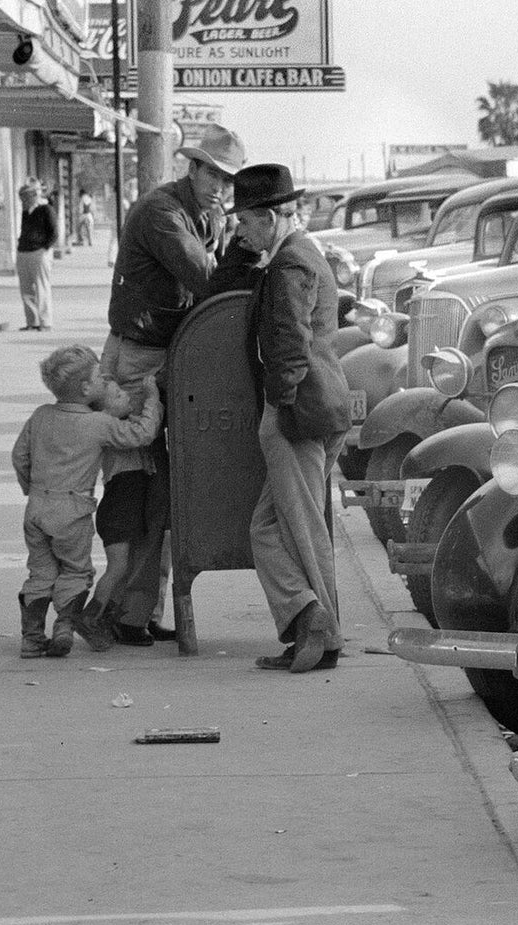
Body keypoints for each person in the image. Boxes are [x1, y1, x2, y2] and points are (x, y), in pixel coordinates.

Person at [101, 124, 249, 647]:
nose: (221, 188)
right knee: (138, 487)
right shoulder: (162, 212)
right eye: (214, 176)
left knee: (169, 488)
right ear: (193, 168)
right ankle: (123, 610)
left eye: (228, 180)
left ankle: (139, 611)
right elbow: (207, 278)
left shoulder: (209, 215)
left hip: (170, 356)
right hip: (138, 358)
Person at [230, 164, 352, 673]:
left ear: (269, 217)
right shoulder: (301, 254)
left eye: (244, 221)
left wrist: (280, 403)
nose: (239, 231)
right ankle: (308, 616)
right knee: (270, 528)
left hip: (297, 409)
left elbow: (289, 342)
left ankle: (322, 633)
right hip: (316, 403)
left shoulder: (289, 263)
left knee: (300, 529)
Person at [11, 346, 160, 659]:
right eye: (99, 378)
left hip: (37, 507)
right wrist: (152, 400)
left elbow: (20, 456)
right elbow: (142, 434)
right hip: (72, 511)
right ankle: (63, 628)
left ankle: (32, 638)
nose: (105, 379)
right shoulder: (98, 424)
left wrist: (30, 488)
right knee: (75, 571)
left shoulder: (40, 416)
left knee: (40, 573)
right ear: (85, 389)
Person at [78, 377, 157, 651]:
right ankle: (90, 617)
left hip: (122, 509)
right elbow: (146, 431)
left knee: (123, 570)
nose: (125, 395)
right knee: (118, 569)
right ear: (104, 412)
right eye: (118, 395)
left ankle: (104, 618)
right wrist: (152, 398)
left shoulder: (119, 423)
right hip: (119, 510)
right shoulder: (113, 430)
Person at [16, 179, 58, 330]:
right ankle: (32, 321)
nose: (23, 200)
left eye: (25, 196)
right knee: (26, 289)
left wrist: (44, 248)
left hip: (39, 252)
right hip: (24, 251)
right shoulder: (25, 212)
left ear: (34, 195)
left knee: (42, 287)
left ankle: (45, 321)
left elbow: (54, 233)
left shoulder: (46, 209)